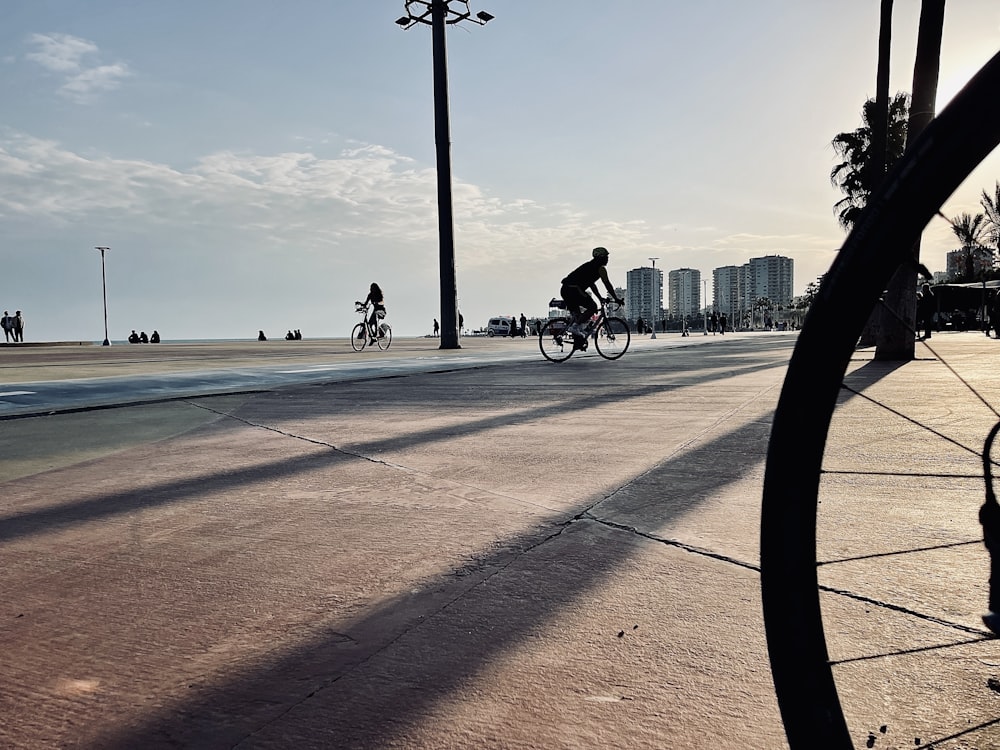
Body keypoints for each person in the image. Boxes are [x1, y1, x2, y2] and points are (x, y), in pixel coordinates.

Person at [560, 247, 624, 340]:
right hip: (573, 289)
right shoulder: (600, 269)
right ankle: (574, 328)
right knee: (592, 307)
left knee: (578, 317)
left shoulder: (590, 266)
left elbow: (592, 285)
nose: (607, 259)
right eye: (605, 257)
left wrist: (600, 298)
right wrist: (616, 298)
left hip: (566, 289)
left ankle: (576, 341)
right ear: (600, 258)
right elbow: (607, 284)